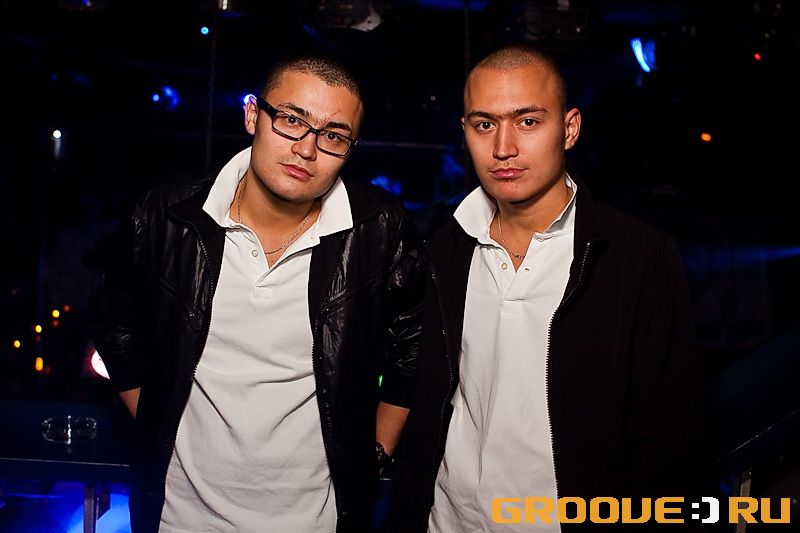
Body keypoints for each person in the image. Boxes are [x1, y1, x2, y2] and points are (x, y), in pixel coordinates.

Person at [92, 54, 424, 533]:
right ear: (253, 115)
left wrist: (372, 455)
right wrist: (156, 423)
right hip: (179, 516)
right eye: (291, 120)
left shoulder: (378, 228)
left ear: (350, 149)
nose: (306, 149)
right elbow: (115, 324)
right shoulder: (167, 213)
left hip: (319, 520)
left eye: (333, 136)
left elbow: (411, 353)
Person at [388, 44, 701, 532]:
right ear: (465, 130)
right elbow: (421, 392)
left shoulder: (637, 257)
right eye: (484, 124)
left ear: (570, 129)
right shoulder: (444, 250)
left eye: (528, 121)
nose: (503, 147)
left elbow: (667, 437)